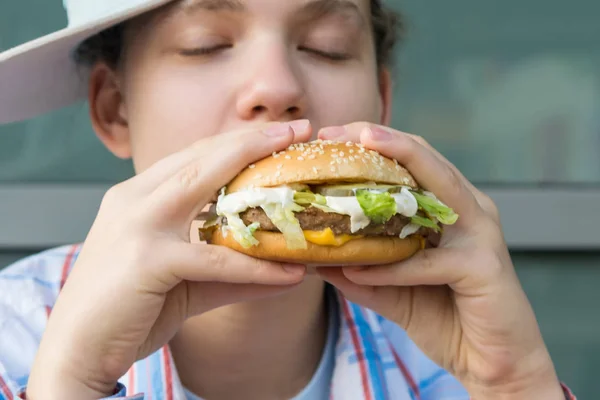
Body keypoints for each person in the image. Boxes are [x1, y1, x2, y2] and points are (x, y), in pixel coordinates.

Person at [0, 1, 576, 399]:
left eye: (326, 48)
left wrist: (513, 385)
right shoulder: (12, 341)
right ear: (114, 108)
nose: (277, 87)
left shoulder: (458, 357)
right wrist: (69, 385)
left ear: (379, 101)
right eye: (206, 45)